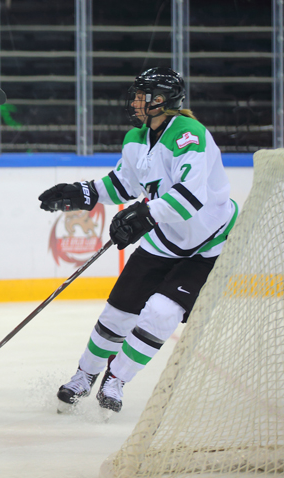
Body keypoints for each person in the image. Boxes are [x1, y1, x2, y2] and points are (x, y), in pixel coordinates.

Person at [38, 67, 237, 414]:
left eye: (140, 95)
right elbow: (124, 184)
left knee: (161, 313)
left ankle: (116, 379)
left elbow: (190, 197)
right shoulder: (136, 137)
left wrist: (143, 216)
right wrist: (82, 193)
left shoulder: (190, 136)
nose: (134, 101)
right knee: (117, 314)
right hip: (164, 239)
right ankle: (84, 375)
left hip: (207, 244)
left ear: (160, 100)